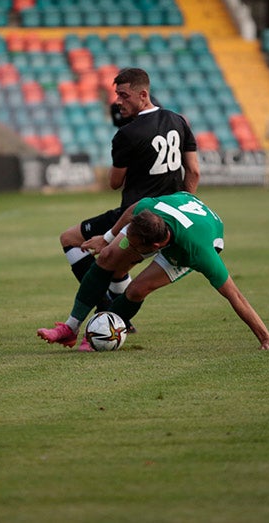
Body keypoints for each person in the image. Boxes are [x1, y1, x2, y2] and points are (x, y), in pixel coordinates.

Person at [38, 191, 269, 351]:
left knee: (137, 289)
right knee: (108, 255)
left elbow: (234, 295)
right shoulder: (147, 212)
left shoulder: (198, 252)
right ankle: (70, 329)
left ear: (154, 247)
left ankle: (96, 335)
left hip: (198, 237)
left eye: (133, 246)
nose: (128, 248)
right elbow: (134, 207)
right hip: (178, 209)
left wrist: (265, 337)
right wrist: (108, 237)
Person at [57, 67, 199, 338]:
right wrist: (183, 205)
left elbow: (114, 182)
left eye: (123, 95)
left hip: (135, 214)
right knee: (120, 267)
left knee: (70, 239)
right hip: (170, 214)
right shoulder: (179, 121)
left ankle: (106, 312)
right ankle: (123, 321)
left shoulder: (128, 133)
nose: (118, 102)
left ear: (143, 94)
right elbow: (193, 172)